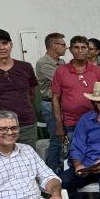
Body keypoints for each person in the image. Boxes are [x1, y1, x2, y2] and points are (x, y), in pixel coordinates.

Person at [0, 28, 39, 146]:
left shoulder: (26, 67)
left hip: (25, 124)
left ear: (11, 45)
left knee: (28, 159)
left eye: (5, 43)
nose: (1, 47)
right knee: (2, 160)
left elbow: (32, 94)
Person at [51, 36, 100, 145]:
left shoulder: (96, 71)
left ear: (88, 50)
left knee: (94, 153)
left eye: (83, 47)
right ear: (71, 50)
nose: (80, 50)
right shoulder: (61, 71)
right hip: (71, 123)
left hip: (94, 121)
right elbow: (55, 98)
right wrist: (59, 125)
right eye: (76, 47)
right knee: (73, 156)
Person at [36, 32, 67, 173]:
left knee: (64, 139)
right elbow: (63, 81)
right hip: (50, 104)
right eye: (63, 44)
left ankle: (62, 168)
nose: (65, 48)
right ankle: (51, 172)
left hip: (63, 104)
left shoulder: (61, 62)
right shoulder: (43, 63)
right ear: (54, 46)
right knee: (56, 139)